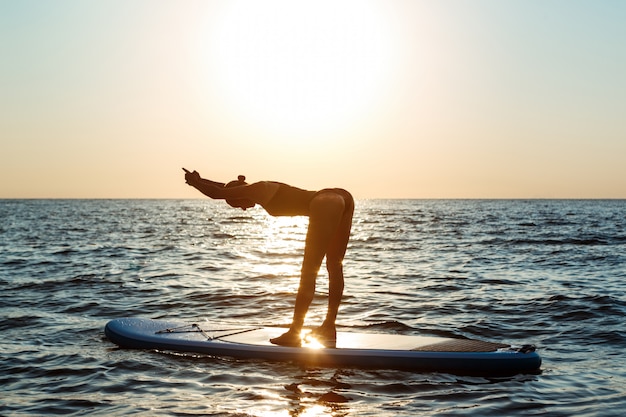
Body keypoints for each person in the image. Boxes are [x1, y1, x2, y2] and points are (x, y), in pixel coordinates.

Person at [183, 168, 354, 347]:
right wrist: (201, 180)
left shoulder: (257, 188)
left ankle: (294, 333)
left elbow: (218, 193)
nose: (242, 208)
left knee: (309, 272)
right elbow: (225, 189)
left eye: (237, 204)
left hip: (324, 203)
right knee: (334, 266)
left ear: (239, 195)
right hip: (342, 198)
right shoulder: (257, 189)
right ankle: (329, 327)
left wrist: (195, 183)